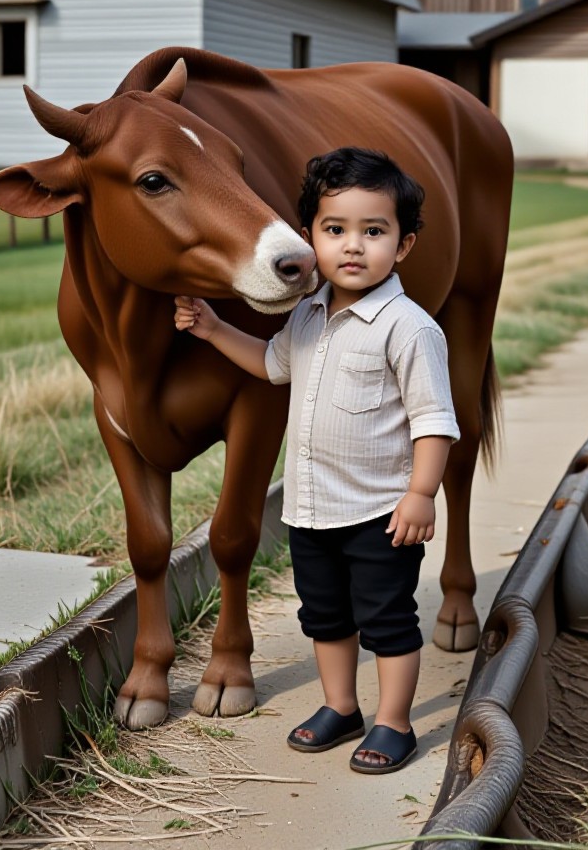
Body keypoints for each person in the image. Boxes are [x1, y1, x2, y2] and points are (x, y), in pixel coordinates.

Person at [174, 147, 459, 774]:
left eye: (374, 232)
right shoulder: (304, 313)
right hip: (310, 508)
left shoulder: (409, 329)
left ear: (403, 246)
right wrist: (216, 331)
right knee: (324, 617)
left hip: (382, 511)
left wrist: (421, 494)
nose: (352, 246)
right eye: (335, 230)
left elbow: (434, 421)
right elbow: (272, 367)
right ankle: (340, 707)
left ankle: (394, 722)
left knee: (387, 621)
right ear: (311, 237)